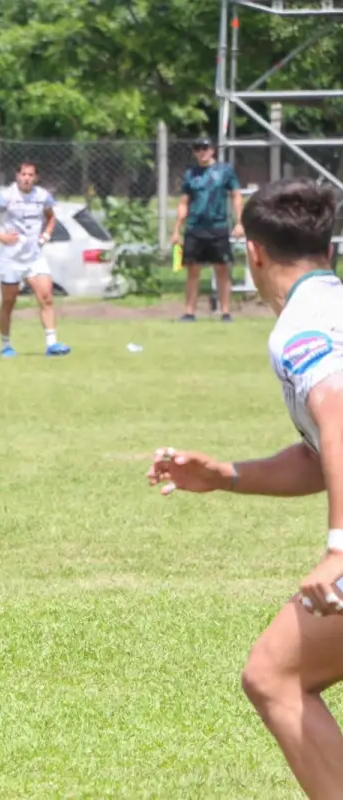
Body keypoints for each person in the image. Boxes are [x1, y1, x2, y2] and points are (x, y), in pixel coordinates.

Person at [146, 179, 343, 796]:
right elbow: (320, 456)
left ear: (252, 253)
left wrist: (340, 548)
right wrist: (228, 475)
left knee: (274, 675)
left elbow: (338, 419)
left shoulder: (301, 326)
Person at [0, 162, 71, 358]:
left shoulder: (42, 196)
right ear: (17, 176)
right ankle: (6, 345)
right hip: (11, 259)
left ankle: (51, 344)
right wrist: (0, 236)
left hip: (34, 257)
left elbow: (51, 217)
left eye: (30, 175)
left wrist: (46, 235)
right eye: (23, 174)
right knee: (9, 302)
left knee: (46, 297)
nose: (26, 178)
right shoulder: (6, 196)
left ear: (35, 178)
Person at [171, 137, 244, 322]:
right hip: (195, 227)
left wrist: (239, 222)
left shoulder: (225, 171)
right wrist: (176, 230)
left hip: (218, 226)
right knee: (193, 270)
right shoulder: (190, 174)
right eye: (197, 148)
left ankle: (226, 312)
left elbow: (236, 195)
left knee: (222, 269)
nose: (201, 152)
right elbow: (184, 202)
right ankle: (189, 312)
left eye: (205, 148)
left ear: (212, 150)